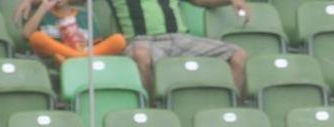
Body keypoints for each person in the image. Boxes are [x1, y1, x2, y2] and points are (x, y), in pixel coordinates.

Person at [14, 0, 251, 96]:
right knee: (140, 55)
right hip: (140, 40)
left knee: (239, 54)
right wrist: (32, 1)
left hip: (178, 38)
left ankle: (234, 105)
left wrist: (232, 0)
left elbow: (200, 1)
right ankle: (151, 108)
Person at [21, 0, 127, 66]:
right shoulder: (44, 14)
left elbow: (96, 46)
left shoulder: (84, 15)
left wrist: (79, 40)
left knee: (119, 40)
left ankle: (77, 59)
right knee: (36, 37)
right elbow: (26, 34)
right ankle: (79, 59)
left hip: (84, 55)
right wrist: (43, 8)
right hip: (56, 59)